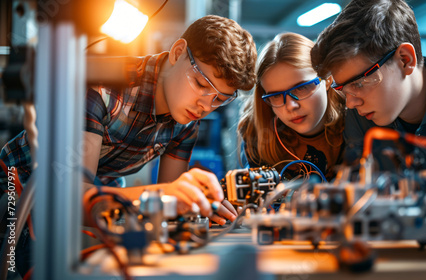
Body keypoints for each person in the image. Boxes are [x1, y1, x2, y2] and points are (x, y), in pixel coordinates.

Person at [1, 15, 257, 225]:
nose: (206, 106)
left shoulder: (187, 120)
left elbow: (167, 200)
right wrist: (160, 198)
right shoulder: (103, 88)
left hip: (94, 209)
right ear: (178, 52)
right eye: (202, 84)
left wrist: (197, 206)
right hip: (15, 194)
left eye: (220, 99)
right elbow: (73, 201)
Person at [310, 0, 426, 167]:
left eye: (359, 84)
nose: (350, 103)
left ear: (405, 60)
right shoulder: (361, 117)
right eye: (343, 88)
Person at [238, 32, 345, 181]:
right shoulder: (255, 133)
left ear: (327, 79)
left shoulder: (357, 117)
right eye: (275, 96)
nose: (290, 106)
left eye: (301, 88)